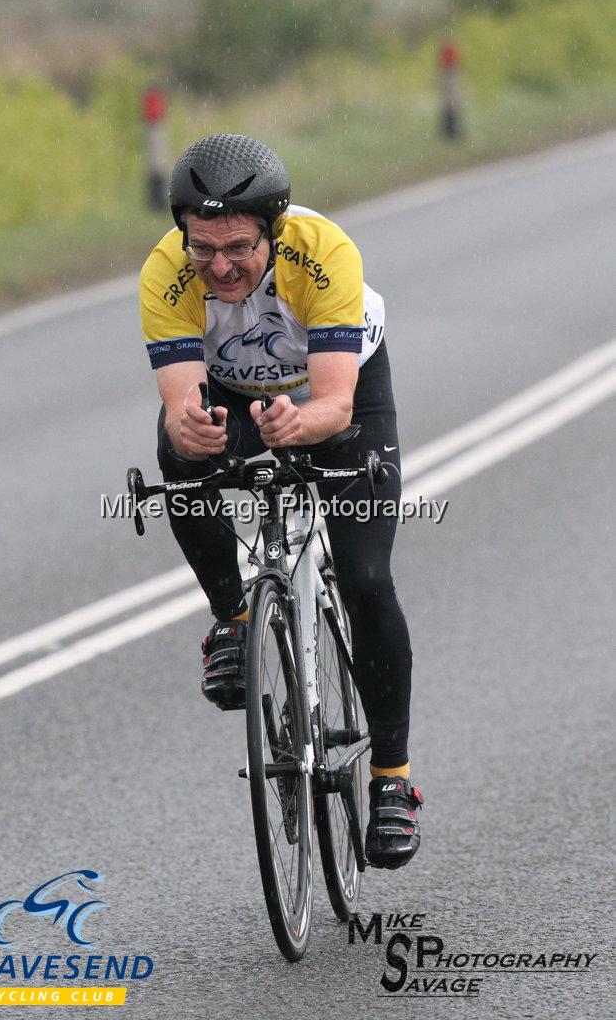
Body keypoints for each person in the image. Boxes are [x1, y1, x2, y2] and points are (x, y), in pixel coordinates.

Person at [139, 133, 423, 869]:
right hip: (235, 393)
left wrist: (301, 425)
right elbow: (179, 407)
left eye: (237, 247)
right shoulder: (166, 271)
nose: (220, 266)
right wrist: (193, 429)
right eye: (203, 248)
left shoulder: (322, 252)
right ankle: (232, 621)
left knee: (365, 579)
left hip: (338, 400)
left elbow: (333, 402)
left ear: (273, 230)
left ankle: (392, 781)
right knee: (179, 457)